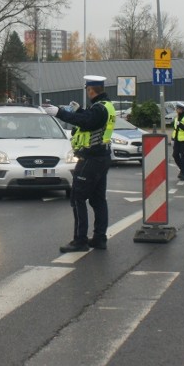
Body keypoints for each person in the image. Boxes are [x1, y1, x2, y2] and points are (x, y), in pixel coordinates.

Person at [44, 75, 115, 253]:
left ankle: (80, 240)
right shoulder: (106, 106)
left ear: (91, 90)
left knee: (77, 198)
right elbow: (90, 118)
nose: (87, 92)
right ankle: (99, 238)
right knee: (98, 199)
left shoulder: (99, 109)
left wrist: (59, 113)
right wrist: (80, 110)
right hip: (102, 157)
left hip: (90, 159)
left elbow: (87, 122)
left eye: (87, 90)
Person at [172, 102, 184, 181]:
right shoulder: (176, 118)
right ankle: (183, 168)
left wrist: (179, 124)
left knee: (183, 157)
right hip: (177, 140)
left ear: (181, 109)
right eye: (176, 108)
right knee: (175, 155)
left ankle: (182, 173)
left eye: (178, 108)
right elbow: (175, 130)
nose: (176, 110)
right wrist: (172, 139)